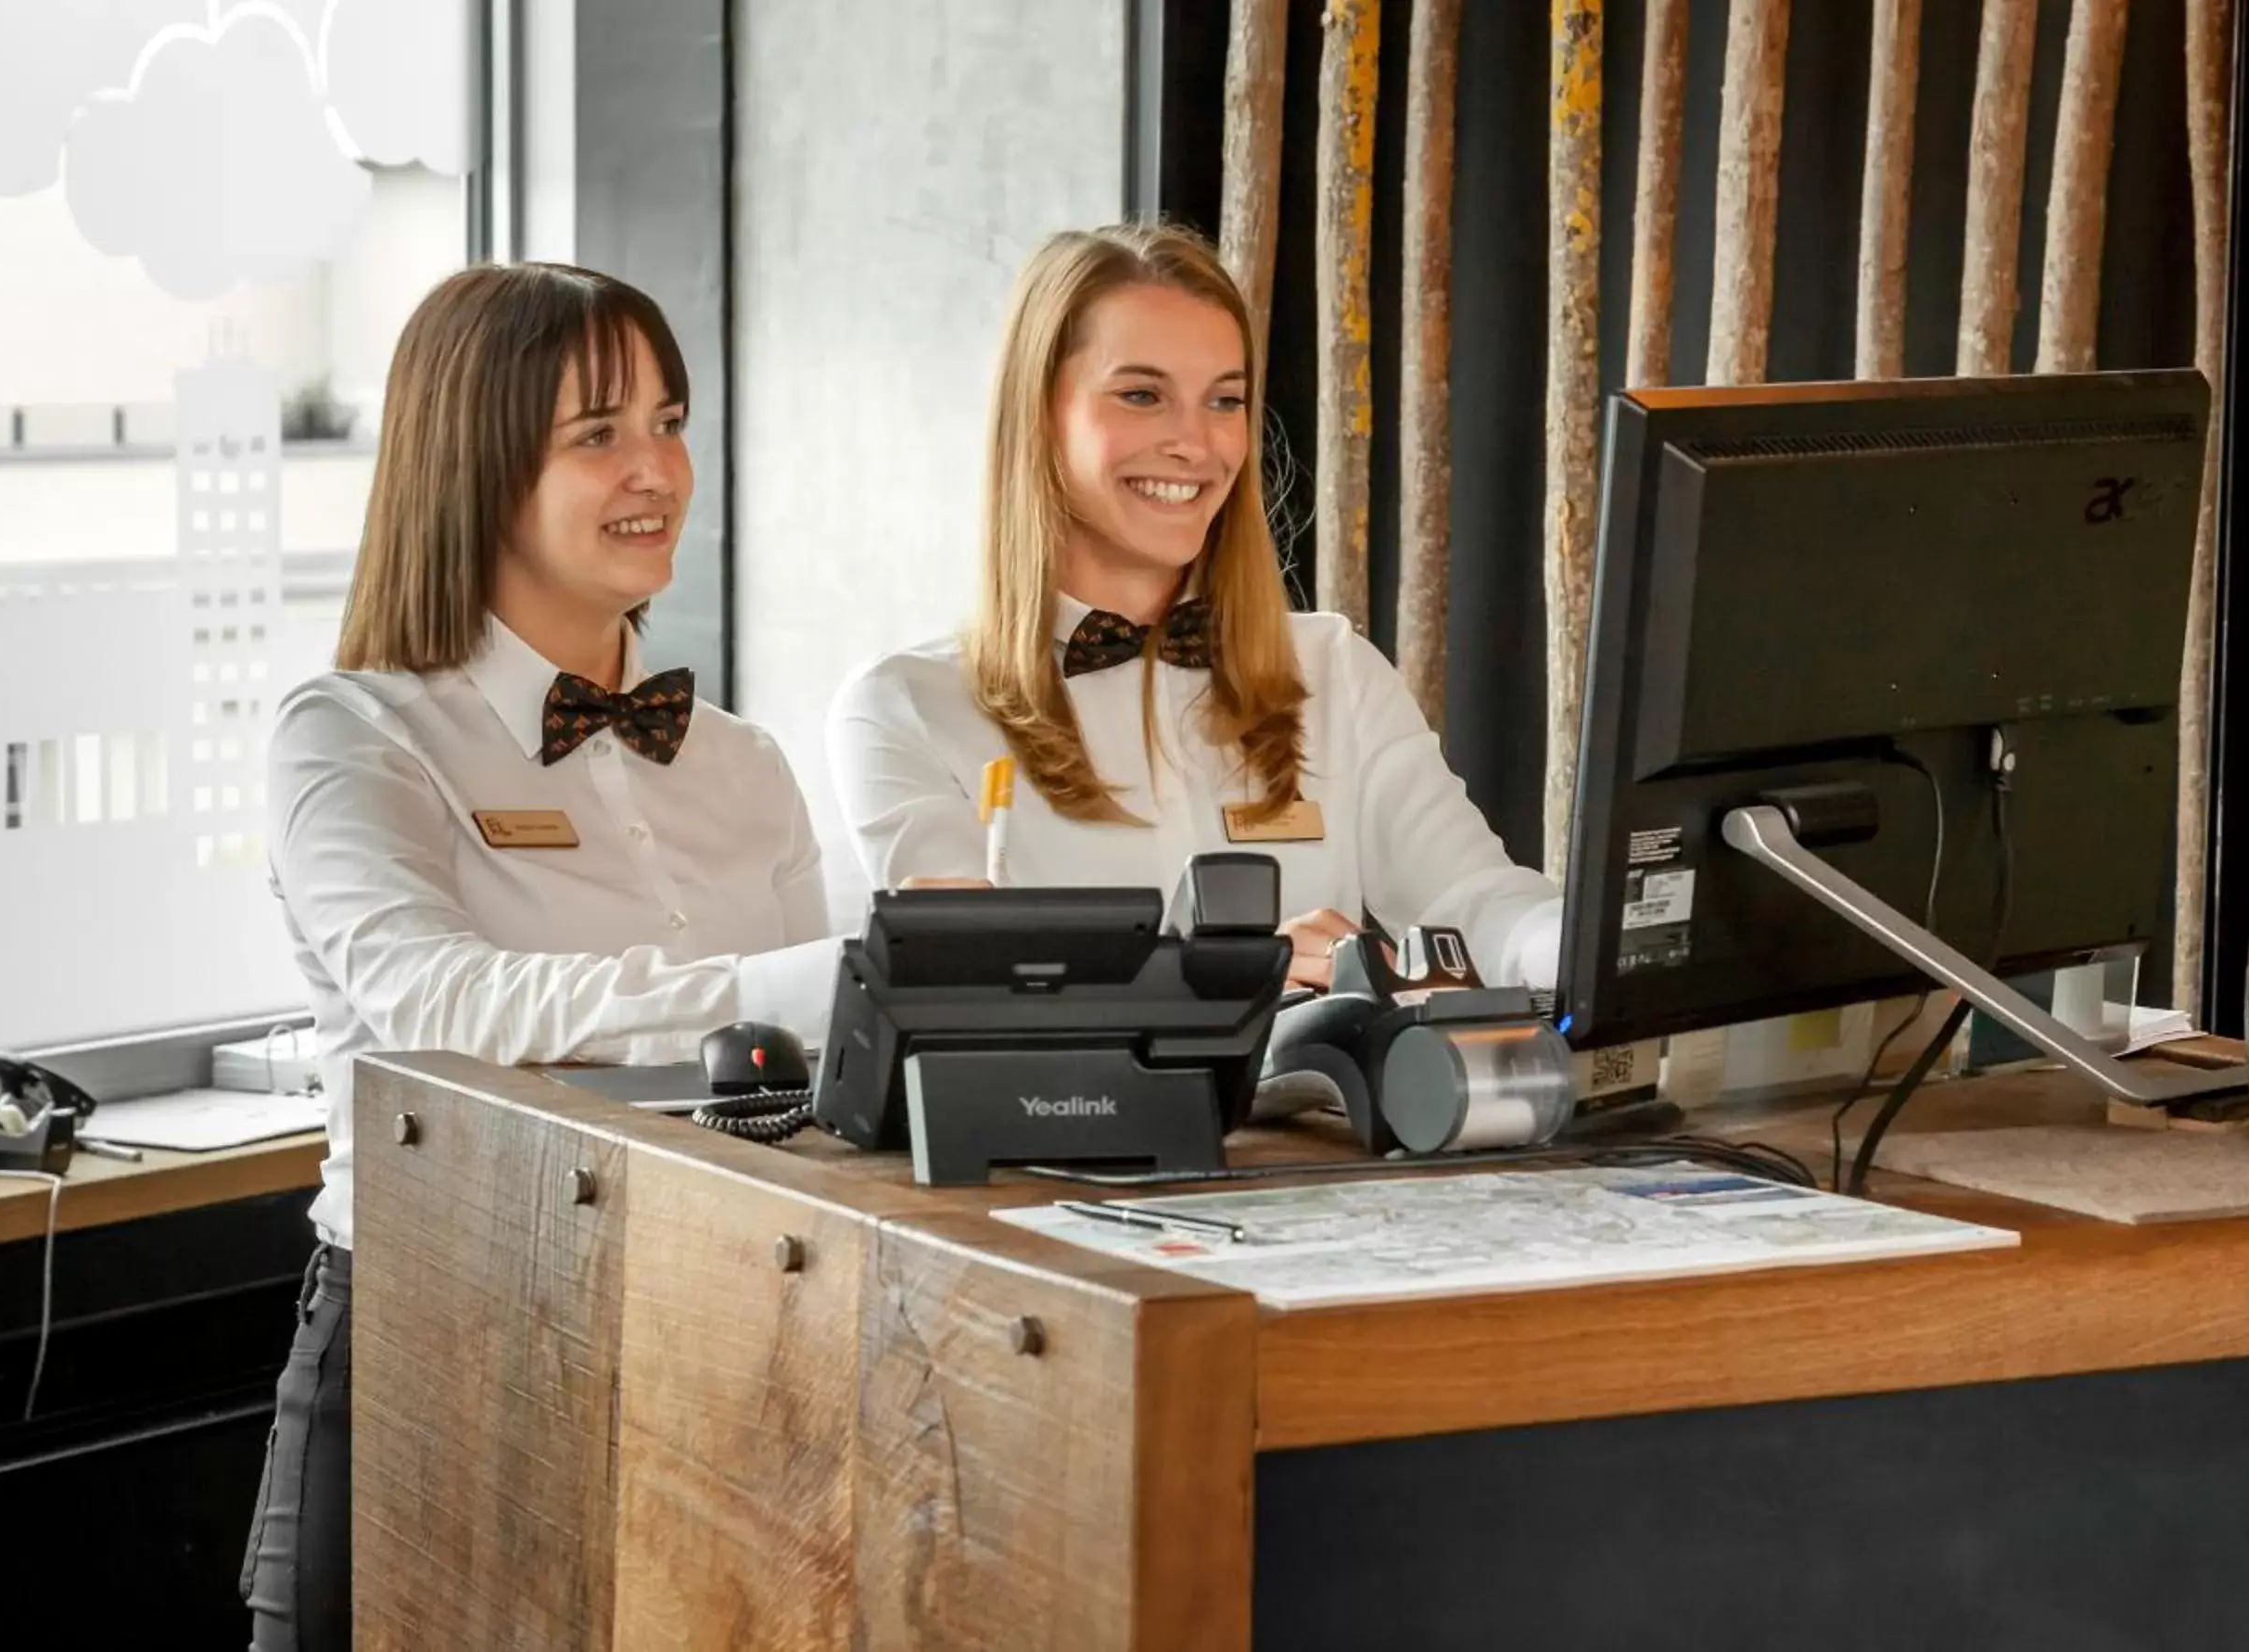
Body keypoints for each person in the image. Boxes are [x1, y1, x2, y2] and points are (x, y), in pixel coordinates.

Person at [246, 263, 836, 1649]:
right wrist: (771, 1000)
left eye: (672, 420)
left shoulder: (744, 763)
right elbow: (435, 1005)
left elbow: (825, 1081)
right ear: (478, 459)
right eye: (599, 434)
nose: (660, 469)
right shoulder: (353, 732)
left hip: (720, 1348)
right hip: (437, 1346)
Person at [829, 222, 1557, 992]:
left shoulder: (1334, 670)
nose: (1194, 443)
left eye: (1225, 400)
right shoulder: (904, 709)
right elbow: (970, 986)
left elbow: (1474, 901)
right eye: (1141, 395)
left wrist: (1597, 945)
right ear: (1038, 415)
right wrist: (1220, 978)